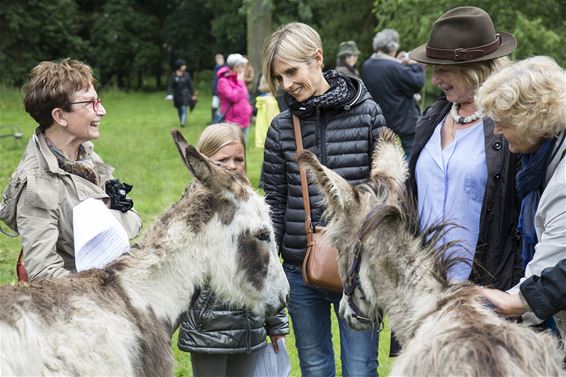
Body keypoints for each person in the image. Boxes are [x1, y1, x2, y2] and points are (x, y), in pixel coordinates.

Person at [262, 22, 384, 377]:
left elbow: (385, 193)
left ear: (317, 58)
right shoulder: (282, 127)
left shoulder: (367, 114)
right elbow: (274, 205)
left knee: (360, 369)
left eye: (291, 72)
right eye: (279, 77)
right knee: (315, 368)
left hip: (358, 270)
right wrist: (271, 270)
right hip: (300, 271)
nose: (286, 85)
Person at [407, 6, 521, 290]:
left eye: (443, 70)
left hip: (482, 290)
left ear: (475, 70)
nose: (434, 80)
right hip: (424, 288)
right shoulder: (432, 119)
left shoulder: (511, 128)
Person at [0, 58, 142, 281]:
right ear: (59, 116)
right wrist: (103, 292)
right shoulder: (36, 185)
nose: (102, 111)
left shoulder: (86, 155)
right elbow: (44, 275)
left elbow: (134, 221)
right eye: (89, 103)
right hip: (79, 307)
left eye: (99, 101)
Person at [177, 123, 289, 377]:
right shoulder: (194, 208)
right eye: (222, 159)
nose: (231, 165)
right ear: (203, 162)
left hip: (250, 327)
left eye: (238, 159)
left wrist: (276, 324)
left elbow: (268, 267)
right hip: (208, 330)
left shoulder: (252, 206)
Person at [476, 56, 566, 338]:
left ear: (532, 121)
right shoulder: (540, 165)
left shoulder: (562, 183)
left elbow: (548, 269)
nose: (497, 130)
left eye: (502, 122)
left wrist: (508, 303)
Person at [362, 29, 425, 159]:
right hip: (404, 120)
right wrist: (415, 65)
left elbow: (391, 82)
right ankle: (409, 180)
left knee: (385, 156)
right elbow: (417, 82)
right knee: (412, 154)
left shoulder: (367, 65)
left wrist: (397, 62)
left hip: (382, 119)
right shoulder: (393, 67)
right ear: (393, 46)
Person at [215, 54, 253, 141]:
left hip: (244, 119)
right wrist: (240, 83)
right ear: (236, 67)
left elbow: (245, 97)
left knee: (243, 150)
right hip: (232, 121)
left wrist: (248, 109)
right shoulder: (223, 81)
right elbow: (233, 97)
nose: (244, 69)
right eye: (242, 67)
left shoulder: (239, 79)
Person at [167, 58, 197, 128]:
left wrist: (193, 95)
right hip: (177, 96)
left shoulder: (187, 75)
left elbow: (190, 86)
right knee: (179, 109)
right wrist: (169, 94)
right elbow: (170, 86)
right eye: (183, 65)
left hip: (185, 95)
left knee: (184, 108)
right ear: (179, 66)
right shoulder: (173, 76)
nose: (185, 67)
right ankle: (181, 120)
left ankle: (182, 124)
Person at [254, 74, 280, 149]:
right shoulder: (270, 102)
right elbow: (272, 119)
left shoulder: (262, 100)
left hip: (262, 135)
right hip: (270, 137)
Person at [210, 53, 226, 123]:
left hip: (222, 91)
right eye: (217, 59)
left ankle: (219, 120)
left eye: (220, 59)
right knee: (214, 106)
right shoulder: (216, 68)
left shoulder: (225, 69)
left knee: (221, 107)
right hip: (215, 91)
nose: (218, 61)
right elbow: (214, 80)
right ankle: (213, 120)